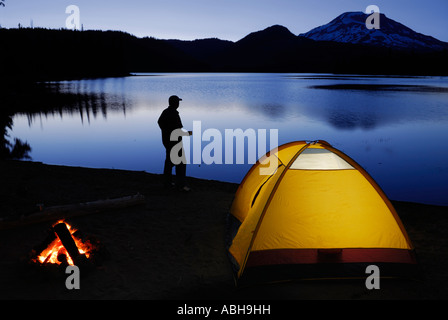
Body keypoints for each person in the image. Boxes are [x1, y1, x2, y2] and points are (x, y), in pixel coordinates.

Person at [157, 95, 192, 192]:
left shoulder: (165, 112)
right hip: (175, 144)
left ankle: (167, 183)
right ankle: (180, 185)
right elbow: (177, 130)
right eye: (178, 102)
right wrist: (189, 133)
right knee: (181, 164)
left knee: (169, 163)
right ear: (175, 103)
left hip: (167, 143)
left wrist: (166, 132)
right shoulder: (174, 114)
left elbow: (160, 122)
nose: (178, 104)